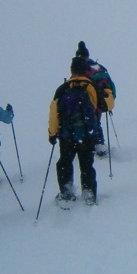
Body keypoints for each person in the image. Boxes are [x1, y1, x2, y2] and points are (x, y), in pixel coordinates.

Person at [48, 56, 100, 205]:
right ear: (86, 70)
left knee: (64, 162)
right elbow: (103, 106)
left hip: (67, 135)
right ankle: (89, 193)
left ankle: (66, 192)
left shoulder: (62, 89)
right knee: (86, 165)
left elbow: (54, 113)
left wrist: (52, 134)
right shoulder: (91, 86)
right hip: (86, 134)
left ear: (71, 70)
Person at [76, 41, 115, 156]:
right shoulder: (99, 67)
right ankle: (99, 144)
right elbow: (111, 84)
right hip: (103, 99)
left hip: (90, 100)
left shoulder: (82, 68)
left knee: (91, 122)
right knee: (96, 121)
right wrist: (111, 98)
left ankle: (95, 144)